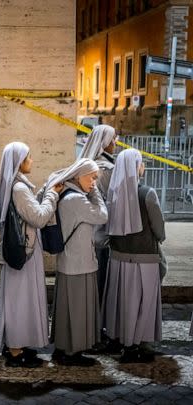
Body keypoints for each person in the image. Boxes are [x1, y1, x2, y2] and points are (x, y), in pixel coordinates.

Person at [0, 142, 62, 368]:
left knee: (17, 300)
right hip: (25, 254)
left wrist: (46, 191)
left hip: (22, 253)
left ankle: (16, 344)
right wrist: (52, 196)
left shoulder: (16, 185)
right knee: (20, 302)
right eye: (28, 156)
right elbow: (39, 218)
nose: (32, 160)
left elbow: (30, 208)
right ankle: (15, 350)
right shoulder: (19, 188)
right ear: (19, 162)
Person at [103, 149, 165, 363]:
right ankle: (139, 343)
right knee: (143, 301)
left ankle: (121, 338)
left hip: (118, 257)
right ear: (135, 166)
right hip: (144, 257)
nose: (143, 167)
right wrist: (160, 238)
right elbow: (159, 227)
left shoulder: (113, 192)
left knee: (122, 301)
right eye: (141, 163)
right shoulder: (147, 193)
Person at [48, 158, 108, 367]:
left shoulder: (67, 194)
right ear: (79, 175)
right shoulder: (76, 199)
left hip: (70, 261)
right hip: (79, 263)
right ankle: (72, 352)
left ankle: (64, 348)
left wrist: (89, 189)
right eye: (92, 178)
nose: (93, 182)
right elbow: (102, 216)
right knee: (77, 309)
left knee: (68, 309)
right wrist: (95, 193)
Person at [78, 125, 118, 325]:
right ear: (103, 143)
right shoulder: (104, 169)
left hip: (90, 231)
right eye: (112, 140)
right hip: (101, 233)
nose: (115, 143)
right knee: (100, 283)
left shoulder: (88, 165)